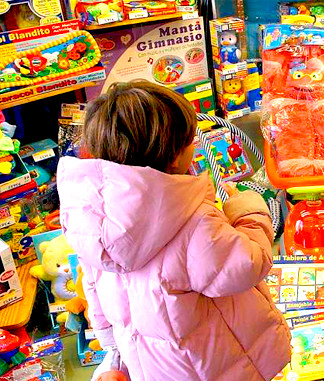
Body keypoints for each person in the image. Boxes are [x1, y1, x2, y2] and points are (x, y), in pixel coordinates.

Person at [57, 80, 291, 381]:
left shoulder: (91, 221)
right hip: (219, 366)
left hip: (154, 369)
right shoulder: (192, 221)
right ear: (174, 155)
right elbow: (247, 264)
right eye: (190, 139)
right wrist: (247, 209)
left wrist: (113, 350)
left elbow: (94, 289)